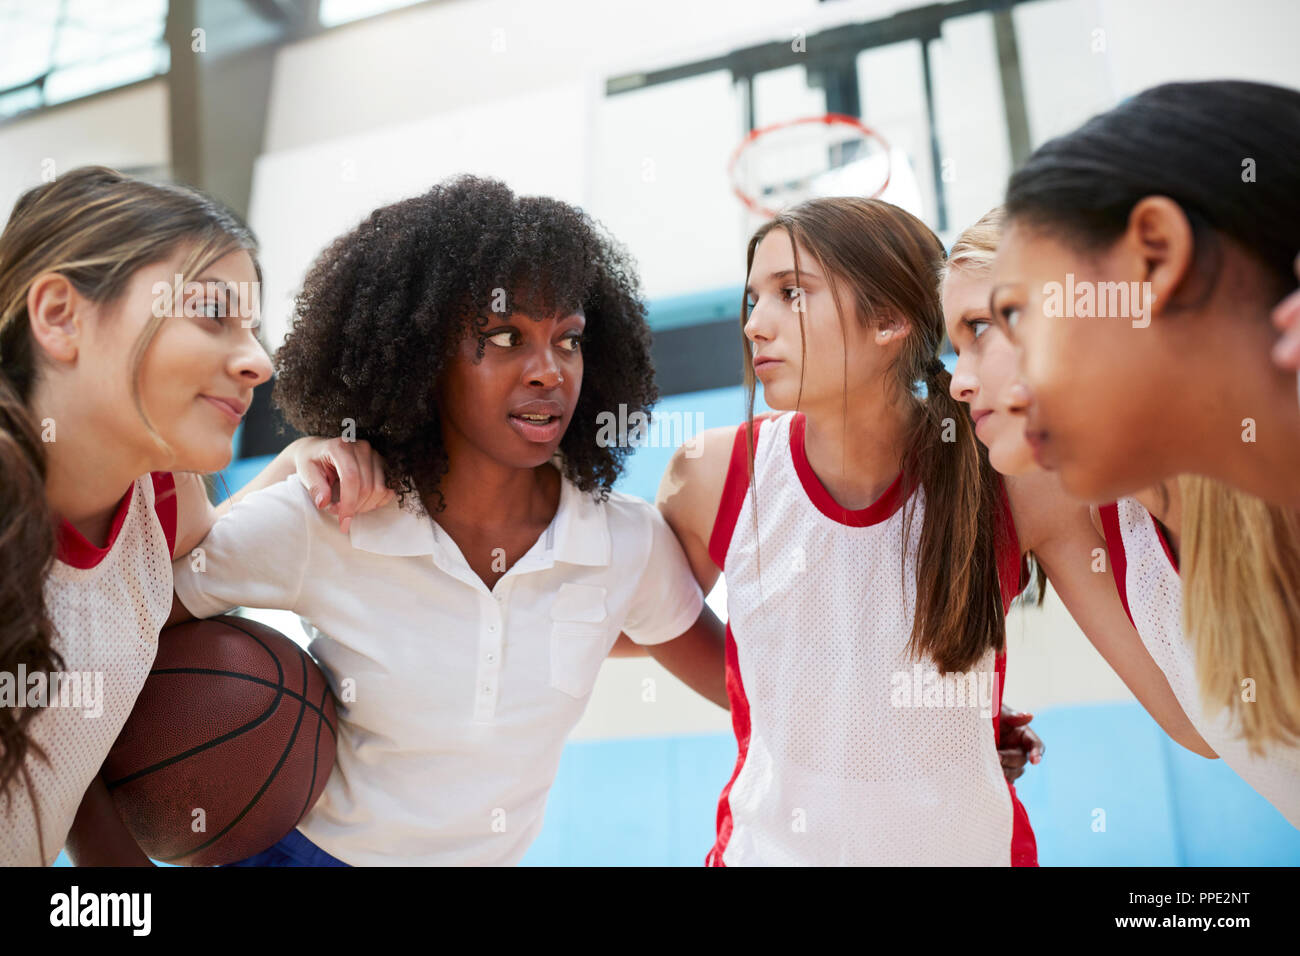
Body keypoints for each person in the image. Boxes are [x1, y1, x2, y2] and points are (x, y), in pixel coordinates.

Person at [169, 176, 728, 866]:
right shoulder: (334, 513)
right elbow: (134, 616)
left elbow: (751, 688)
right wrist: (290, 462)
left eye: (570, 339)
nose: (549, 371)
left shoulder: (624, 544)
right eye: (504, 335)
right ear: (422, 356)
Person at [0, 167, 381, 866]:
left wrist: (298, 461)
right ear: (59, 315)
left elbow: (202, 553)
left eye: (253, 330)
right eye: (210, 314)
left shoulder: (161, 502)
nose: (260, 364)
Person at [654, 197, 1041, 865]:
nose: (754, 325)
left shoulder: (1002, 470)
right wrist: (823, 712)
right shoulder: (710, 476)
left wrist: (939, 726)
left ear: (889, 318)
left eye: (790, 294)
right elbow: (651, 618)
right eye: (754, 299)